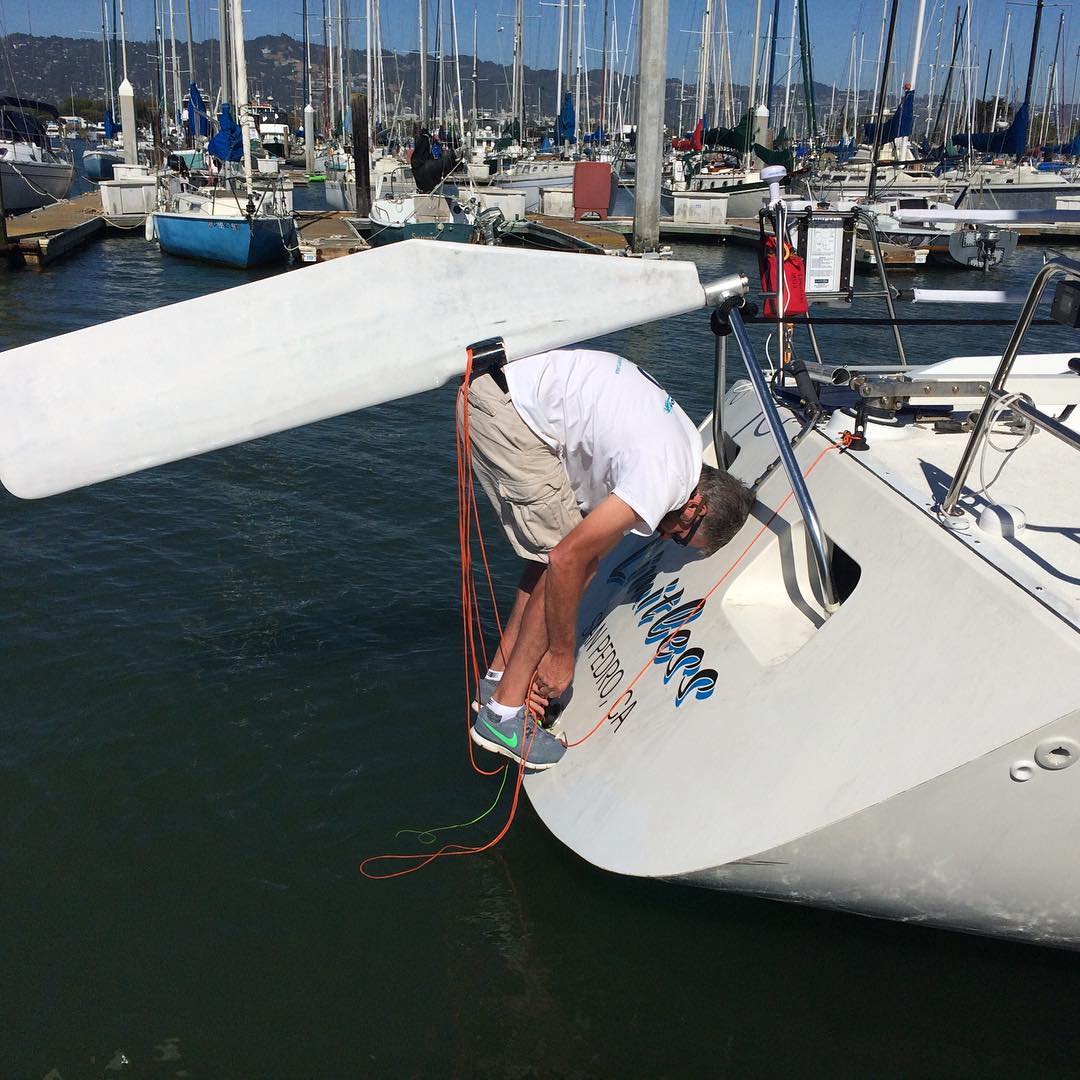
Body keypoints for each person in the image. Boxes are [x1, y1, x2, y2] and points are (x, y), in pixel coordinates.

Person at [462, 347, 755, 771]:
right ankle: (503, 716)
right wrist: (562, 657)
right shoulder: (662, 479)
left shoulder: (687, 447)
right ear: (696, 509)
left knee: (566, 552)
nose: (663, 534)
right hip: (507, 412)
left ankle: (498, 682)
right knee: (573, 561)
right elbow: (567, 560)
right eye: (678, 536)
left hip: (504, 394)